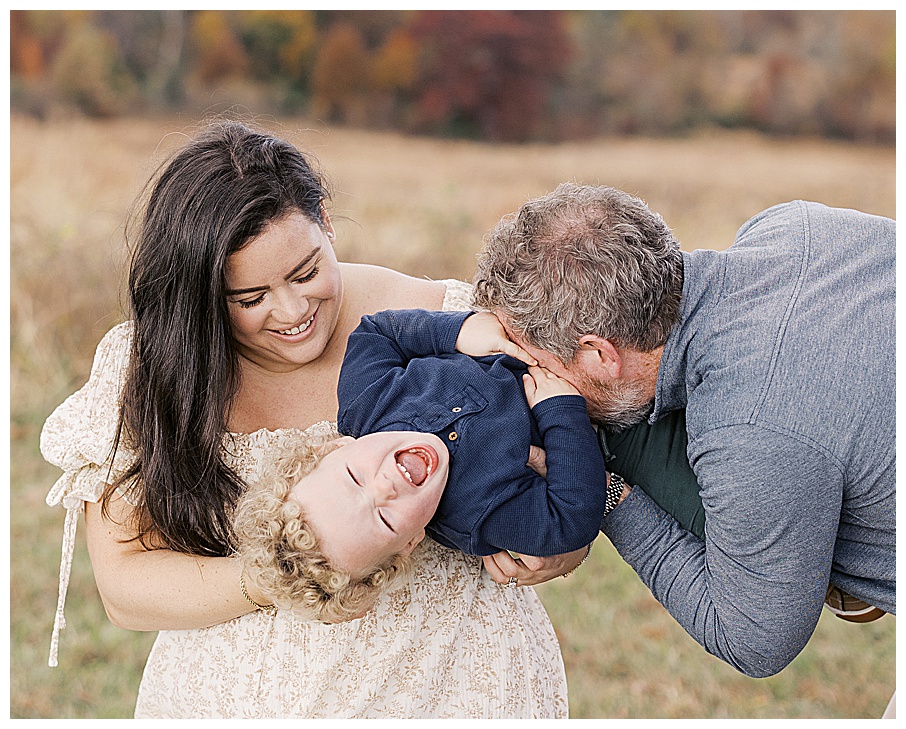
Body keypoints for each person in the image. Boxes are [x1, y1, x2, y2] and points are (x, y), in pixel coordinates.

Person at [40, 121, 568, 719]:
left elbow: (580, 455)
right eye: (249, 299)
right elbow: (125, 590)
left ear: (328, 227)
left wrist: (561, 546)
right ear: (201, 295)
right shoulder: (152, 369)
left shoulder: (441, 322)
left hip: (453, 687)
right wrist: (283, 579)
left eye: (306, 272)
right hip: (231, 703)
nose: (292, 312)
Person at [471, 183, 895, 684]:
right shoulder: (792, 227)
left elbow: (755, 640)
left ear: (599, 354)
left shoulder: (747, 426)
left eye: (538, 366)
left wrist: (601, 490)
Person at [233, 307, 623, 621]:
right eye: (384, 520)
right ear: (408, 545)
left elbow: (378, 332)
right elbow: (571, 520)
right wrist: (561, 412)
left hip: (554, 324)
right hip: (612, 400)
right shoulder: (479, 517)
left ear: (335, 449)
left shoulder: (367, 402)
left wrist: (458, 331)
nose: (384, 488)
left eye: (355, 478)